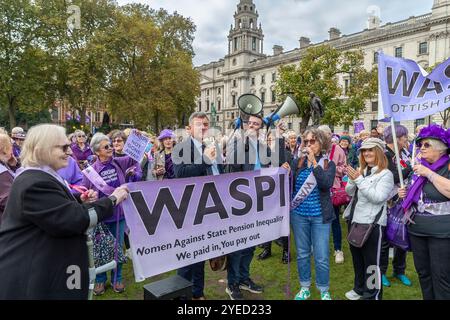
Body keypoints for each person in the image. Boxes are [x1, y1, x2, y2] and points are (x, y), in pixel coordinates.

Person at [0, 124, 129, 299]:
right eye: (64, 147)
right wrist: (113, 199)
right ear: (42, 150)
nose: (69, 152)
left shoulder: (37, 176)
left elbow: (53, 209)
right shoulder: (34, 183)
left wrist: (77, 200)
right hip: (35, 281)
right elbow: (74, 219)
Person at [226, 114, 290, 300]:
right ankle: (232, 284)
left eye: (257, 124)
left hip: (257, 202)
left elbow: (278, 160)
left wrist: (278, 136)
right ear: (245, 125)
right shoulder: (236, 144)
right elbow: (231, 168)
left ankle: (244, 278)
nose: (253, 127)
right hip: (239, 203)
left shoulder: (261, 146)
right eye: (251, 123)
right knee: (237, 246)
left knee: (251, 244)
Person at [173, 112, 224, 300]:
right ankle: (182, 297)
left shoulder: (209, 147)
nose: (203, 127)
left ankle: (197, 293)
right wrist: (205, 160)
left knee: (201, 254)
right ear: (189, 128)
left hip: (208, 209)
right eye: (199, 124)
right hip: (189, 211)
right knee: (187, 257)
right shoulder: (180, 148)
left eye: (206, 124)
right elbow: (181, 174)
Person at [83, 132, 142, 295]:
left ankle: (117, 279)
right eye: (106, 146)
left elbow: (134, 158)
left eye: (110, 145)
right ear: (97, 152)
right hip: (100, 217)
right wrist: (88, 196)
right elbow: (84, 191)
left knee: (117, 249)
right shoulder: (90, 171)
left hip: (119, 215)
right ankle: (100, 280)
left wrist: (136, 139)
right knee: (100, 250)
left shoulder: (119, 162)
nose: (111, 148)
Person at [398, 124, 450, 300]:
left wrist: (428, 173)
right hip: (418, 230)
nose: (421, 147)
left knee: (441, 277)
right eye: (420, 144)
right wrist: (405, 193)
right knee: (423, 274)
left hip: (442, 233)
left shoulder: (445, 166)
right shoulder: (419, 167)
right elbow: (418, 195)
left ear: (440, 148)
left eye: (426, 144)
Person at [344, 138, 394, 300]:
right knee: (358, 260)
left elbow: (378, 197)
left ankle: (372, 295)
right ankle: (359, 289)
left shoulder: (386, 174)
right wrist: (353, 179)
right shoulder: (363, 171)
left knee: (372, 264)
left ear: (378, 152)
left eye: (370, 150)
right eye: (364, 151)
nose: (366, 153)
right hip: (355, 222)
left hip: (373, 225)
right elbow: (350, 192)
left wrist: (359, 179)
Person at [290, 128, 336, 300]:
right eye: (306, 141)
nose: (309, 144)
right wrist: (285, 169)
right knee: (302, 253)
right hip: (299, 215)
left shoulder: (327, 164)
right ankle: (305, 287)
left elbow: (325, 183)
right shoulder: (298, 163)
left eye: (313, 141)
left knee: (322, 255)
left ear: (321, 143)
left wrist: (314, 164)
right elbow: (289, 184)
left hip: (320, 217)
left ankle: (324, 289)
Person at [379, 124, 413, 288]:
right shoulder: (383, 155)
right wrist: (410, 170)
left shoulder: (404, 154)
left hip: (404, 202)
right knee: (386, 240)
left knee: (402, 236)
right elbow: (388, 177)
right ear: (396, 138)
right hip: (389, 202)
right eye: (404, 136)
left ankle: (400, 270)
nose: (406, 139)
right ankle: (382, 272)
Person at [257, 127, 292, 264]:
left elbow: (288, 169)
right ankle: (267, 248)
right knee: (266, 222)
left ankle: (286, 251)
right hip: (265, 194)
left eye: (273, 139)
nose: (270, 141)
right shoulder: (262, 155)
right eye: (269, 139)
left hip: (280, 193)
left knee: (282, 222)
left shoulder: (285, 154)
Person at [318, 125, 347, 265]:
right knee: (319, 219)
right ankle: (318, 247)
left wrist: (332, 170)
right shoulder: (316, 148)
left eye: (326, 135)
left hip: (333, 189)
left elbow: (344, 167)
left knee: (334, 220)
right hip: (317, 188)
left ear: (330, 135)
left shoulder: (338, 149)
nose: (323, 138)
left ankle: (338, 249)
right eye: (321, 135)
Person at [0, 134, 19, 222]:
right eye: (10, 145)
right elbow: (8, 201)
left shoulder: (3, 165)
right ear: (4, 150)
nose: (12, 148)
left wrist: (13, 166)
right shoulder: (2, 173)